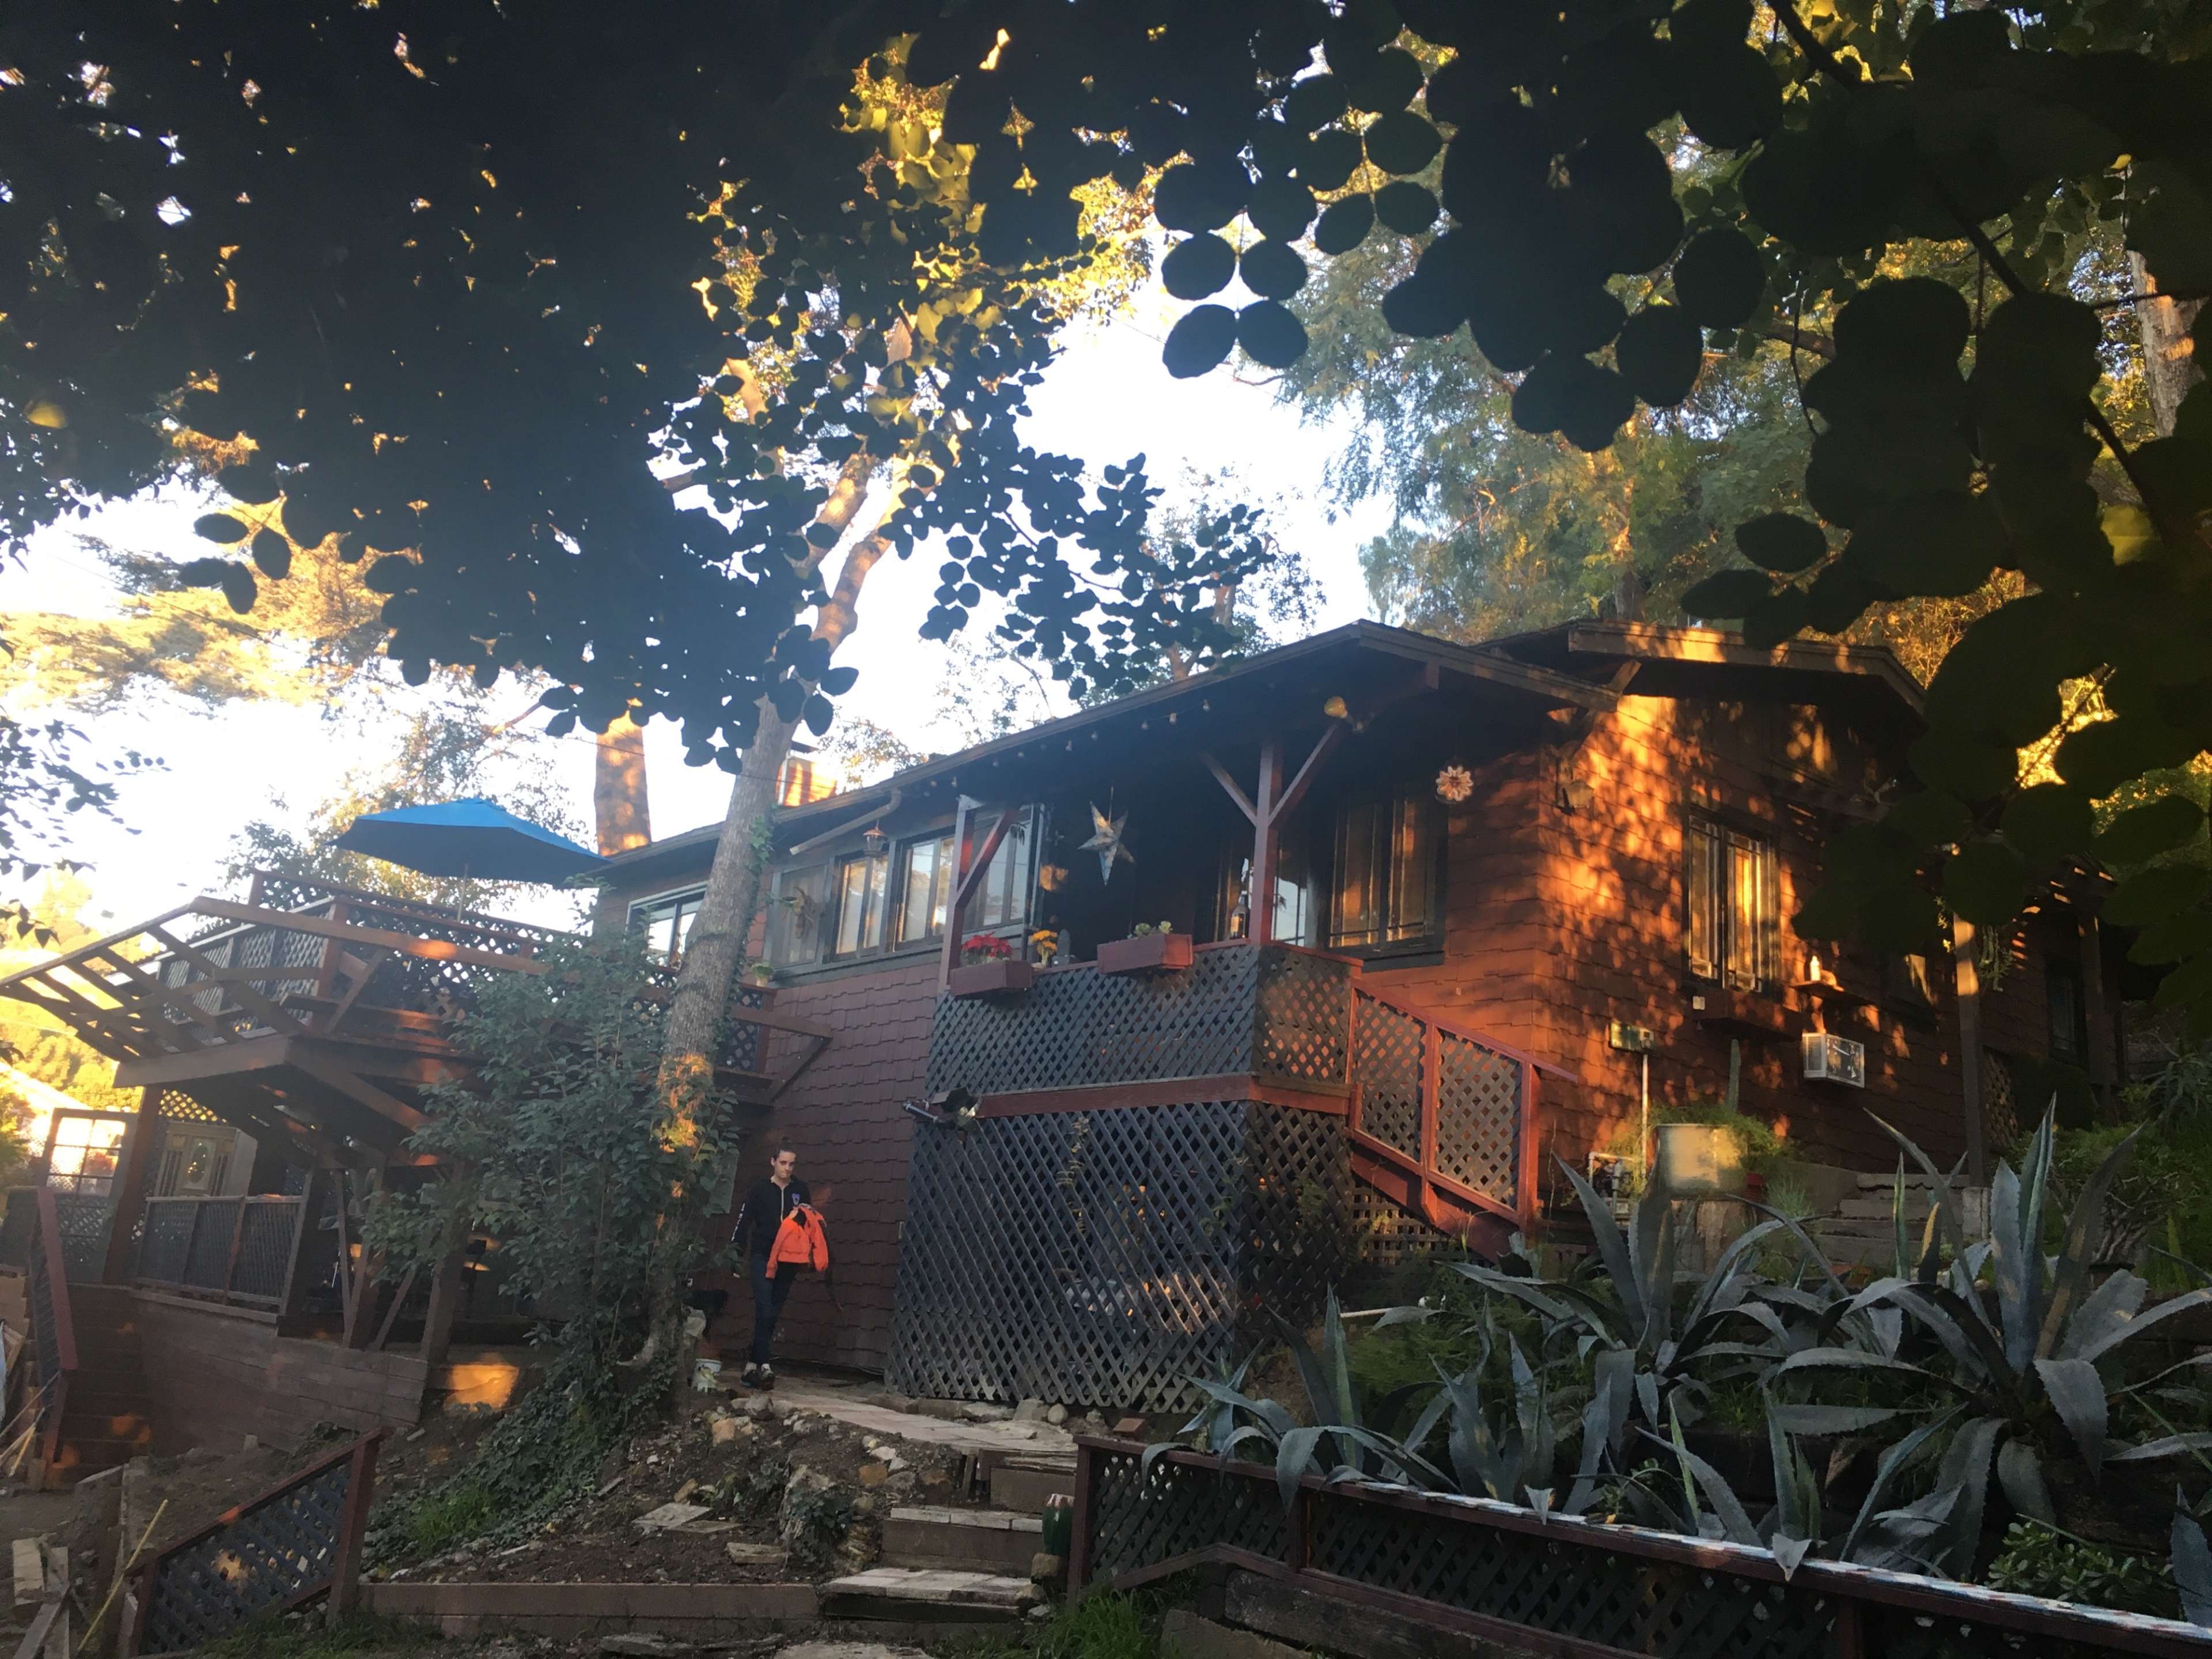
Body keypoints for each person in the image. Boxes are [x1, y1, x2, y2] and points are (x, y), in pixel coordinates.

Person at [732, 1147, 807, 1388]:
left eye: (792, 1164)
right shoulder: (759, 1189)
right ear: (773, 1162)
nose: (787, 1169)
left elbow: (808, 1226)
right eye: (783, 1163)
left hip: (789, 1258)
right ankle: (764, 1366)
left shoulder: (800, 1190)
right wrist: (736, 1254)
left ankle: (751, 1366)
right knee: (764, 1308)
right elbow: (744, 1221)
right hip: (762, 1255)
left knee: (773, 1312)